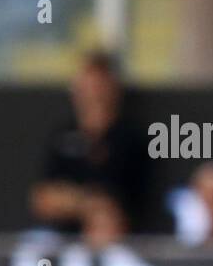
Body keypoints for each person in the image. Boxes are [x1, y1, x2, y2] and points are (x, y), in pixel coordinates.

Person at [29, 51, 150, 246]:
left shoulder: (130, 139)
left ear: (113, 88)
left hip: (116, 240)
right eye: (88, 85)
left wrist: (100, 214)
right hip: (62, 239)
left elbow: (129, 206)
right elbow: (43, 199)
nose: (94, 93)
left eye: (99, 86)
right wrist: (86, 204)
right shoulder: (63, 135)